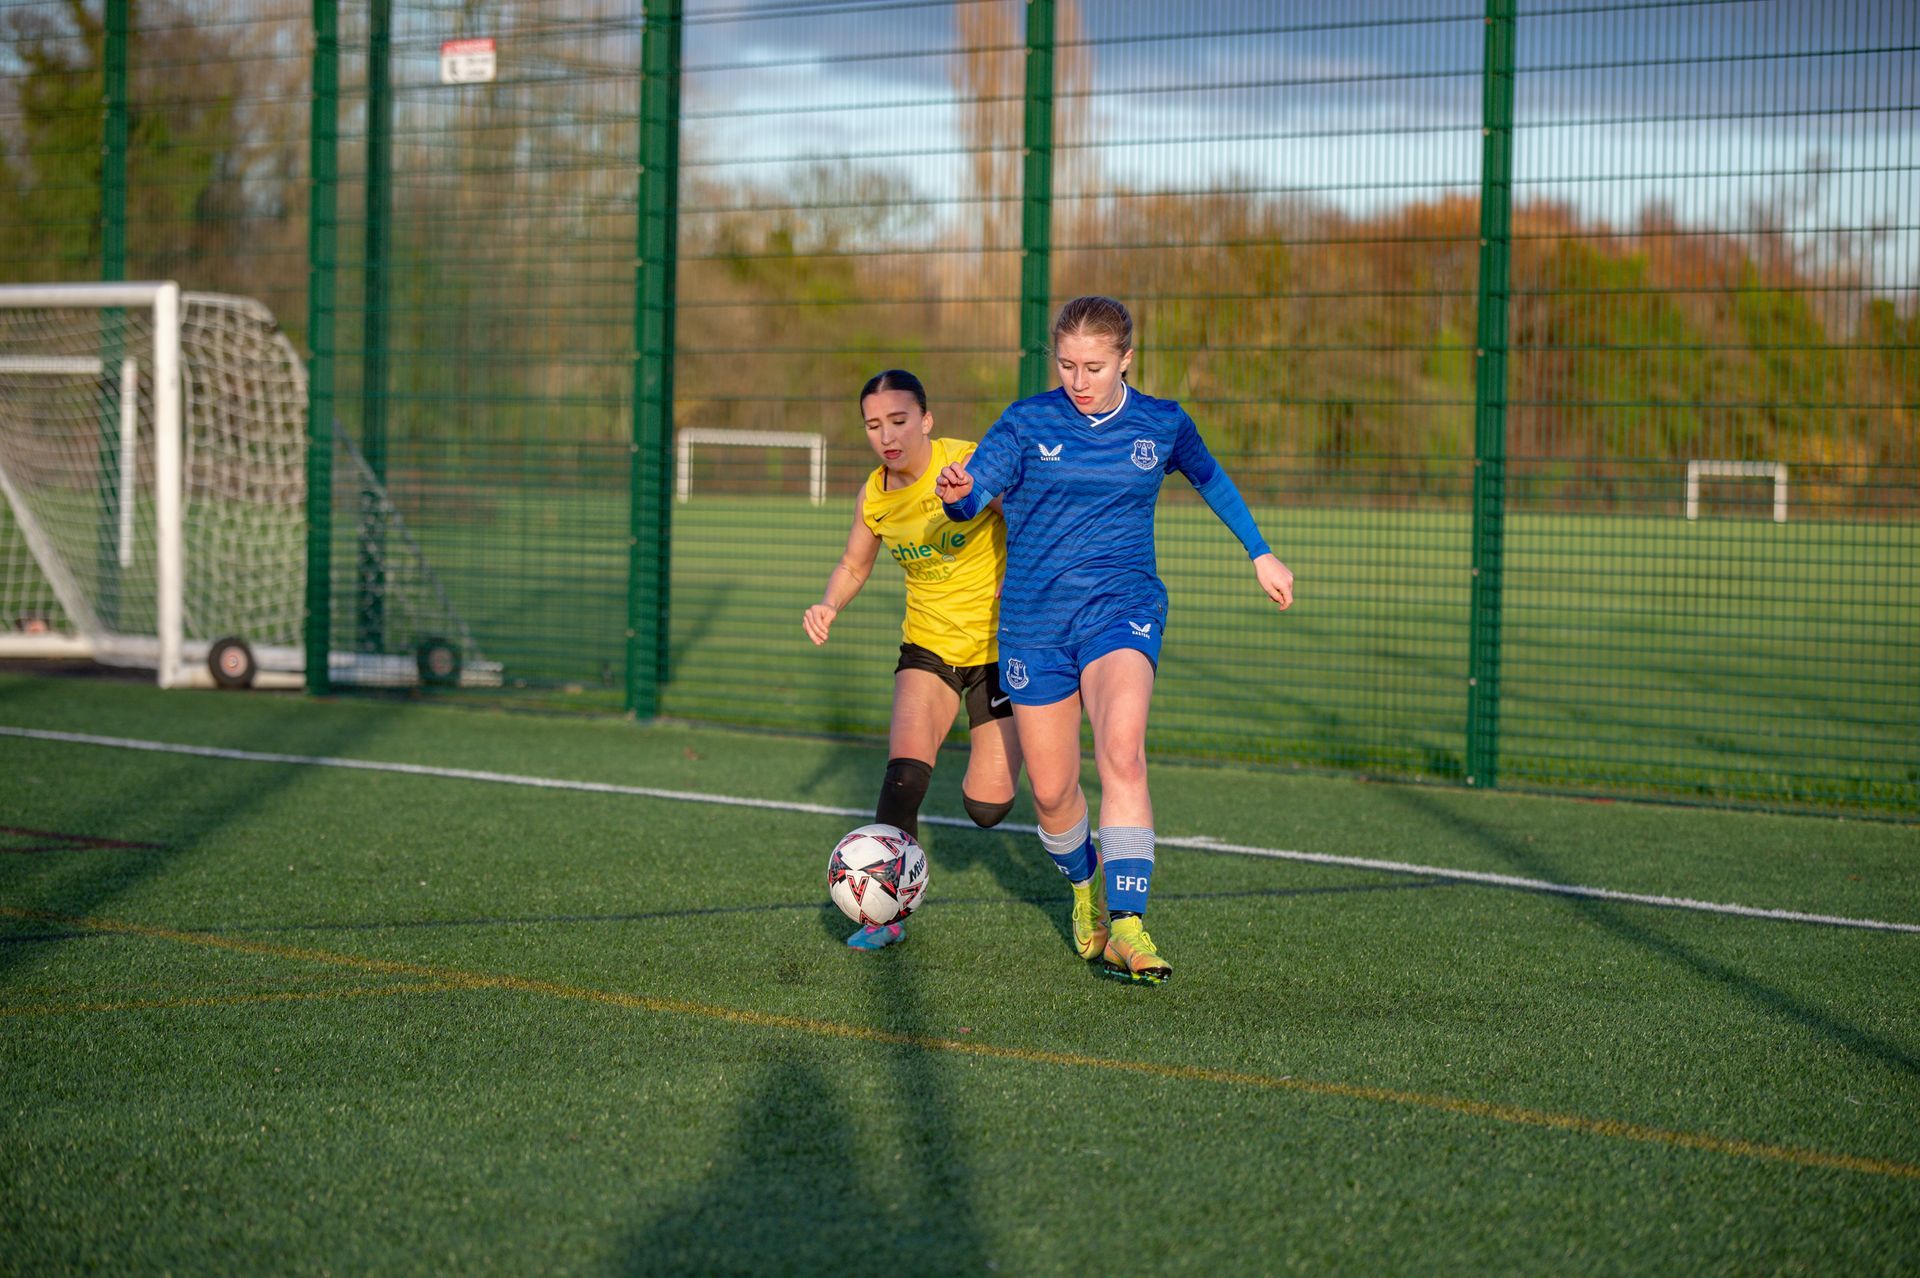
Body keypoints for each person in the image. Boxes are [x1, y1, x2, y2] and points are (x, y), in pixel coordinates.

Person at [936, 296, 1293, 983]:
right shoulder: (1027, 421)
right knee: (1051, 792)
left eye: (1094, 367)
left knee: (1122, 751)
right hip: (1033, 624)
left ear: (1126, 359)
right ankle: (1084, 891)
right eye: (1067, 365)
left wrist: (1260, 552)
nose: (1079, 379)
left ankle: (1129, 924)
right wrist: (957, 492)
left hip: (1120, 609)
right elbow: (972, 493)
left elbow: (1210, 477)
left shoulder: (1161, 424)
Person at [804, 369, 1024, 950]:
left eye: (899, 421)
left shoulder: (968, 463)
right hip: (926, 647)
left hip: (1000, 650)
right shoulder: (876, 495)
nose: (887, 436)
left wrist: (1023, 576)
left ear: (926, 420)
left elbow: (1028, 517)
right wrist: (829, 604)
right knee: (902, 778)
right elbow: (854, 565)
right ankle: (885, 917)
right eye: (874, 425)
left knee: (986, 808)